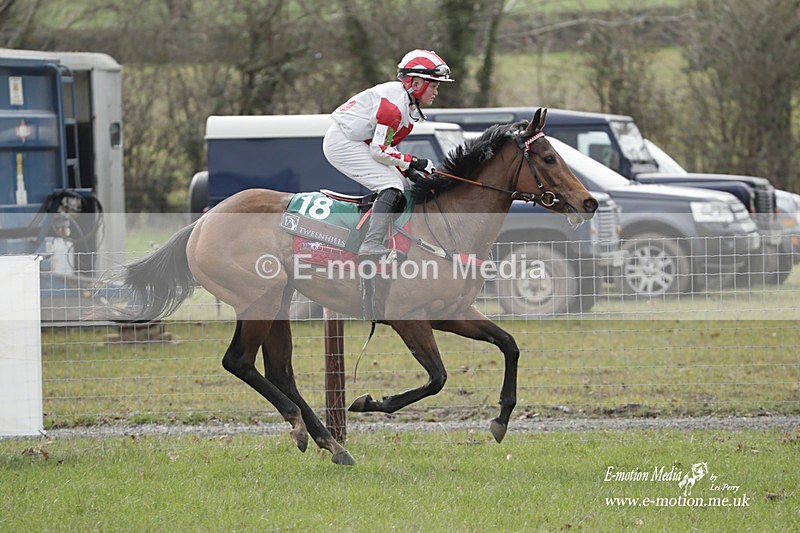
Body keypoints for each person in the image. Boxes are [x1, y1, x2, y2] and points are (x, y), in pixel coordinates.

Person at [323, 49, 453, 259]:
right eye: (434, 86)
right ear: (416, 84)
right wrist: (415, 162)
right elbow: (379, 151)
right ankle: (371, 243)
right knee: (391, 186)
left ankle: (392, 238)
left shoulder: (406, 104)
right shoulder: (394, 108)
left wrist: (408, 170)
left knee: (407, 185)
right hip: (344, 143)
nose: (436, 92)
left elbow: (385, 148)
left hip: (360, 142)